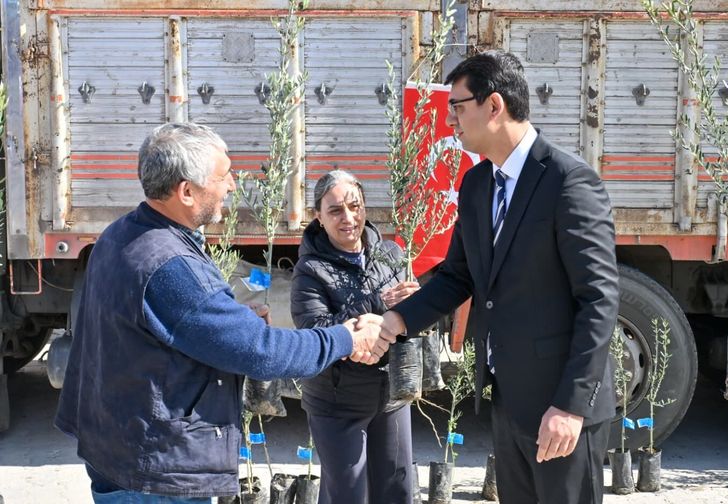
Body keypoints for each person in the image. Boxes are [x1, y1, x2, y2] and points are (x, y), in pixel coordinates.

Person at [54, 123, 390, 503]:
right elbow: (261, 352)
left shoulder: (121, 234)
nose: (231, 185)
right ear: (186, 191)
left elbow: (166, 327)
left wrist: (228, 318)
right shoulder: (169, 263)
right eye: (223, 175)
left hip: (117, 445)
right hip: (155, 472)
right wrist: (346, 337)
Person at [373, 51, 620, 503]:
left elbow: (599, 299)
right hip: (508, 398)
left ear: (494, 106)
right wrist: (396, 321)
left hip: (560, 407)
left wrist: (570, 405)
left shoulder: (569, 182)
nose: (450, 119)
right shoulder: (477, 184)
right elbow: (457, 277)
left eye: (458, 106)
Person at [290, 170, 420, 504]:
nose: (349, 218)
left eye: (355, 206)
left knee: (397, 491)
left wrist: (415, 308)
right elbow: (315, 331)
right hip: (337, 402)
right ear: (318, 217)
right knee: (347, 495)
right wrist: (379, 316)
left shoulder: (390, 253)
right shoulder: (309, 270)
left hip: (390, 397)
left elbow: (411, 325)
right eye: (335, 210)